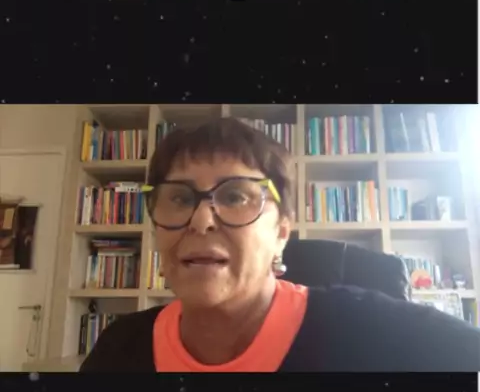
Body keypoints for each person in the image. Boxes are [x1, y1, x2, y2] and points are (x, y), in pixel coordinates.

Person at [80, 118, 480, 372]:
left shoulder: (371, 334)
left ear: (282, 233)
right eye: (180, 198)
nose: (201, 221)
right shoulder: (118, 350)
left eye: (235, 196)